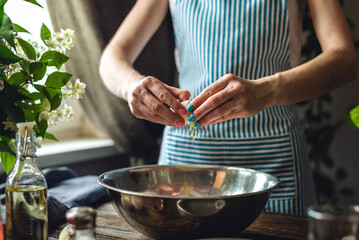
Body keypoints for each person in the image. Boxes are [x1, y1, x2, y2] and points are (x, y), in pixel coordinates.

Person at [99, 0, 357, 216]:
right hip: (185, 160)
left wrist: (267, 91)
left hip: (273, 161)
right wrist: (131, 86)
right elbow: (114, 56)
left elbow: (344, 59)